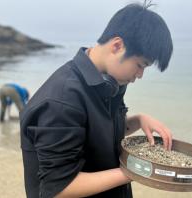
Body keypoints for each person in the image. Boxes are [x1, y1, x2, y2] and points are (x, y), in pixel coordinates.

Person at [20, 2, 173, 198]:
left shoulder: (111, 83)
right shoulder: (62, 100)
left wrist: (138, 120)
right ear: (117, 46)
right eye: (140, 65)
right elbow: (58, 188)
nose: (140, 75)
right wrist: (134, 170)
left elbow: (97, 134)